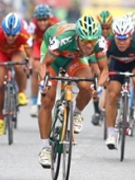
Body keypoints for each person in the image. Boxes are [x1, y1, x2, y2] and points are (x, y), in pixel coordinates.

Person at [37, 15, 109, 168]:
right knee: (47, 100)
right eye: (85, 41)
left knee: (88, 85)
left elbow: (104, 71)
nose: (89, 46)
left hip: (73, 58)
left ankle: (76, 113)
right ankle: (45, 148)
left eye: (92, 41)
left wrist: (99, 87)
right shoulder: (62, 39)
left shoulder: (100, 43)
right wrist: (46, 82)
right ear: (77, 36)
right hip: (53, 59)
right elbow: (43, 66)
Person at [104, 18, 135, 149]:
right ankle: (111, 134)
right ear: (114, 35)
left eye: (124, 39)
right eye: (118, 38)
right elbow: (102, 64)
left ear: (131, 36)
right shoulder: (108, 43)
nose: (121, 42)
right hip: (116, 64)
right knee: (113, 94)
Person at [0, 13, 32, 136]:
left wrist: (29, 66)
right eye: (7, 34)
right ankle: (0, 118)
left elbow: (30, 54)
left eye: (13, 35)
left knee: (19, 66)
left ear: (18, 32)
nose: (10, 38)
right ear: (3, 31)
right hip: (1, 53)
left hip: (16, 52)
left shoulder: (25, 34)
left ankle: (21, 91)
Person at [28, 4, 59, 117]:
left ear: (49, 18)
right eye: (39, 20)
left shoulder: (55, 23)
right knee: (36, 70)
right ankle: (34, 102)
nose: (42, 23)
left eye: (45, 19)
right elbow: (29, 42)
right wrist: (31, 58)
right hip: (37, 44)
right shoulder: (32, 24)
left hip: (50, 45)